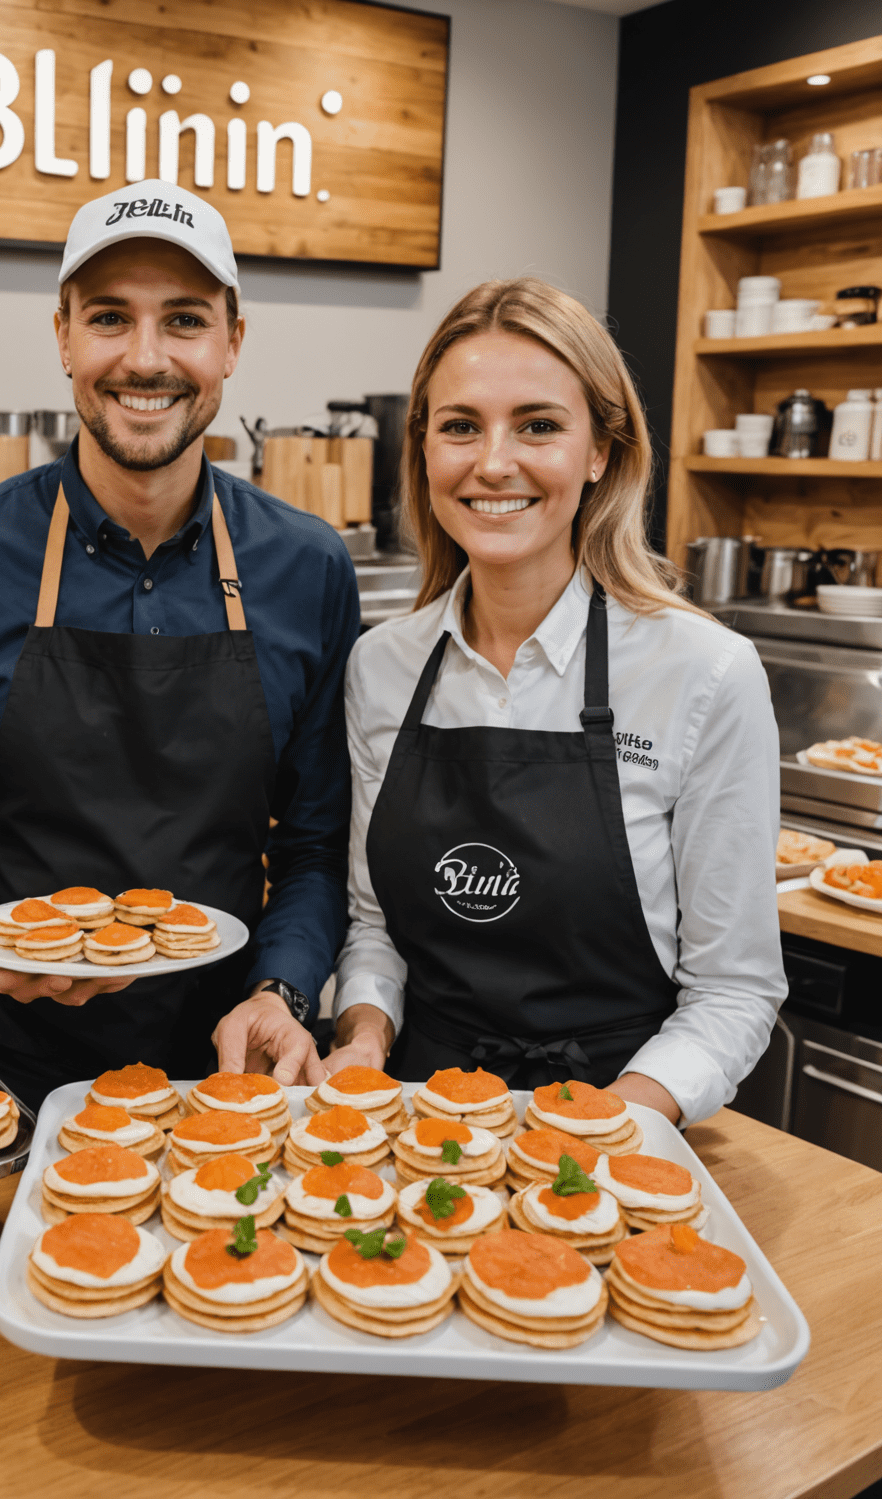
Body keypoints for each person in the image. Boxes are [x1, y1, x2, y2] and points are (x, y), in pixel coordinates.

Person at [0, 179, 359, 1110]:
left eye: (183, 319)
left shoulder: (308, 567)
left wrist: (280, 990)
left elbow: (315, 849)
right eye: (109, 318)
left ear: (231, 343)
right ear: (63, 336)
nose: (146, 359)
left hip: (226, 1069)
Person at [327, 277, 786, 1126]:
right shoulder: (381, 665)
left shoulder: (706, 672)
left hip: (616, 1126)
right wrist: (360, 1036)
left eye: (538, 425)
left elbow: (733, 990)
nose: (494, 462)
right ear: (424, 448)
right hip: (412, 1122)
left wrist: (604, 1130)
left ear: (601, 450)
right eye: (460, 426)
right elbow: (375, 927)